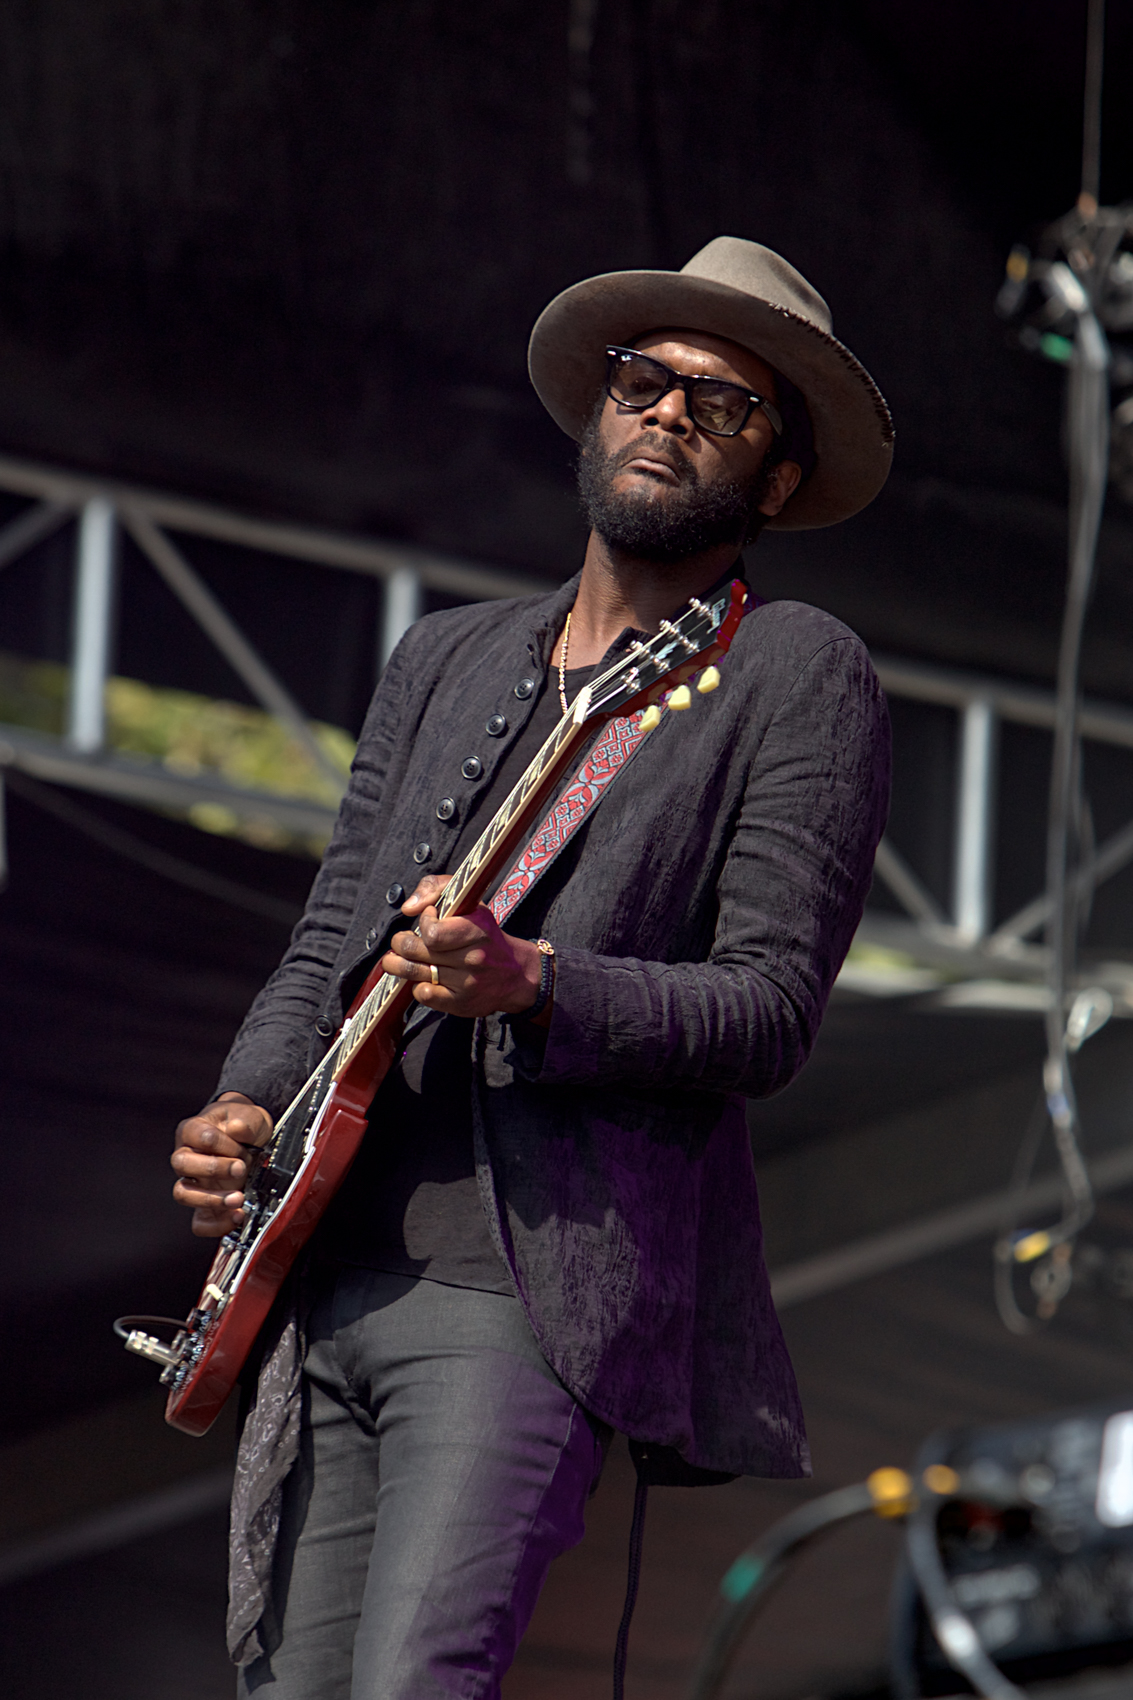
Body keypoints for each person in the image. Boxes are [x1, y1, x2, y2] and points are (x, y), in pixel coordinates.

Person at [171, 235, 893, 1699]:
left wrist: (536, 981)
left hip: (517, 1292)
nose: (670, 411)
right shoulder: (444, 655)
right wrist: (246, 1103)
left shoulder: (791, 669)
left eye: (723, 404)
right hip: (325, 1265)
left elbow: (764, 1011)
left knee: (418, 1680)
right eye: (645, 380)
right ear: (598, 411)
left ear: (769, 483)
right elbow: (331, 934)